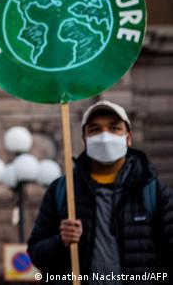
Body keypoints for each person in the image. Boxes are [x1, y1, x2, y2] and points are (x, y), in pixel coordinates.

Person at [27, 100, 173, 284]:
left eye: (114, 128)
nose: (105, 136)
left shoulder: (154, 192)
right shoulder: (62, 190)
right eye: (95, 129)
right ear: (85, 139)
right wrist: (61, 241)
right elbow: (36, 254)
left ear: (128, 137)